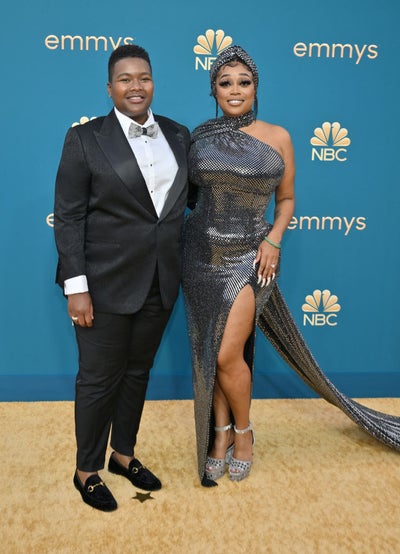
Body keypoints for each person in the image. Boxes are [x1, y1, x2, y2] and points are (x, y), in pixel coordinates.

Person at [182, 45, 400, 487]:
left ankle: (244, 432)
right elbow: (186, 197)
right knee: (211, 352)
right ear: (213, 90)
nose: (235, 90)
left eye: (244, 82)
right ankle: (220, 434)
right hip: (200, 255)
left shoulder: (278, 136)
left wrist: (274, 239)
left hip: (251, 255)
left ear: (256, 87)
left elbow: (286, 199)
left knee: (226, 353)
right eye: (225, 83)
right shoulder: (199, 137)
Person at [54, 44, 190, 510]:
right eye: (126, 79)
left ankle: (123, 454)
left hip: (160, 280)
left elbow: (185, 203)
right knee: (98, 380)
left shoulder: (178, 134)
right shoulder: (85, 138)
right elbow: (68, 217)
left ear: (153, 82)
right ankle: (86, 470)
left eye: (144, 77)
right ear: (109, 87)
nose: (136, 86)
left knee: (137, 373)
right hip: (103, 283)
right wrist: (76, 287)